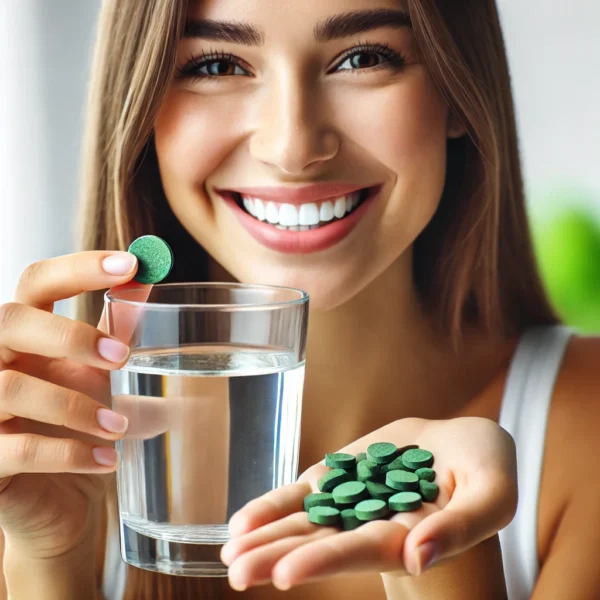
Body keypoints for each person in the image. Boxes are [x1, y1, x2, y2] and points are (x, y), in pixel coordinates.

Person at [0, 0, 599, 598]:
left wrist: (441, 556)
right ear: (142, 107)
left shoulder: (586, 431)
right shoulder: (42, 453)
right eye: (216, 66)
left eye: (362, 58)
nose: (292, 146)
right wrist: (49, 561)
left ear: (455, 88)